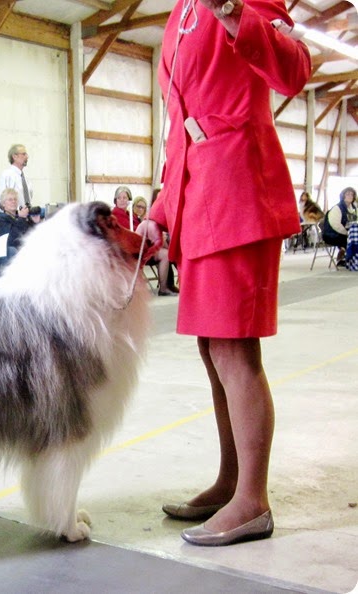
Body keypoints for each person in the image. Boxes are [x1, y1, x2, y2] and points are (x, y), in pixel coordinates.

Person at [144, 0, 311, 546]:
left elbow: (294, 71)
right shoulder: (177, 15)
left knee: (235, 349)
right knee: (213, 348)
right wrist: (161, 211)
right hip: (199, 199)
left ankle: (253, 501)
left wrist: (235, 12)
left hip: (240, 190)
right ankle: (231, 481)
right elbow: (180, 129)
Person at [132, 197, 178, 296]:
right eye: (138, 206)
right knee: (169, 253)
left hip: (145, 249)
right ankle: (166, 287)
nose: (140, 209)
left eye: (143, 207)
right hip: (137, 252)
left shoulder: (148, 221)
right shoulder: (149, 223)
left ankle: (165, 287)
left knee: (167, 254)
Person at [0, 188, 30, 260]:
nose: (13, 201)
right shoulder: (0, 218)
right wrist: (21, 219)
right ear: (3, 203)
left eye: (15, 199)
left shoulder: (18, 217)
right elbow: (10, 240)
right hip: (6, 252)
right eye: (10, 199)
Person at [322, 186, 357, 264]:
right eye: (348, 194)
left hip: (346, 233)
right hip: (331, 234)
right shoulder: (337, 208)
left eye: (352, 194)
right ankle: (345, 257)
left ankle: (349, 258)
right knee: (351, 240)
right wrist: (348, 233)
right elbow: (336, 225)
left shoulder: (354, 208)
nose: (350, 196)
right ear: (343, 195)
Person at [0, 144, 32, 212]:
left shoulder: (26, 178)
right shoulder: (7, 175)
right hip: (13, 219)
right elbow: (0, 203)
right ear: (14, 156)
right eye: (24, 154)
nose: (27, 157)